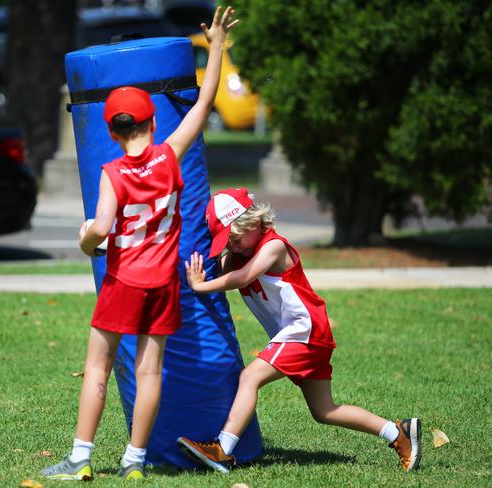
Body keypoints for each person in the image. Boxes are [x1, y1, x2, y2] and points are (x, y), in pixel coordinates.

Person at [40, 6, 239, 481]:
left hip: (124, 282)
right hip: (163, 283)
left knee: (98, 368)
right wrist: (214, 47)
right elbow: (204, 102)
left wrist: (85, 238)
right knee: (151, 372)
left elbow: (100, 231)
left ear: (110, 131)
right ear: (154, 124)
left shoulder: (112, 173)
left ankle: (80, 459)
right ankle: (135, 461)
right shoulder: (170, 156)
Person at [177, 188, 422, 473]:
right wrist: (223, 253)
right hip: (306, 335)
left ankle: (222, 449)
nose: (231, 246)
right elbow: (229, 266)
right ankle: (399, 433)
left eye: (233, 239)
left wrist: (200, 286)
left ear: (254, 223)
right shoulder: (241, 251)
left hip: (303, 330)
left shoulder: (274, 246)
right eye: (227, 242)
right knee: (324, 410)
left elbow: (242, 277)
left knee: (250, 376)